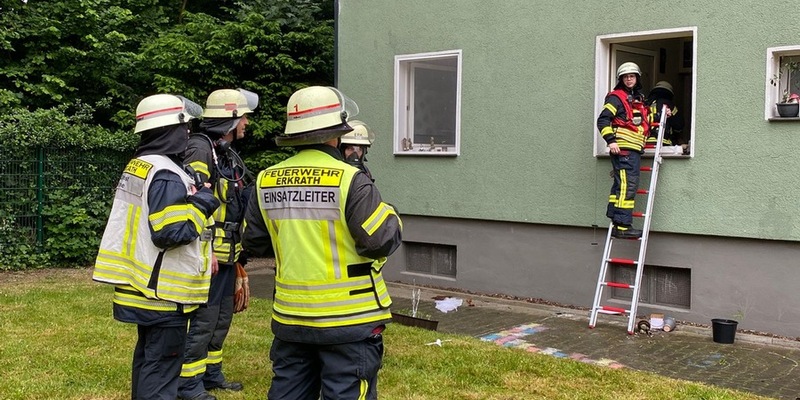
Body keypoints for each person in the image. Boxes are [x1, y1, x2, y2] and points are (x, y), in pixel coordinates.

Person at [241, 86, 403, 400]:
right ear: (336, 134)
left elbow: (255, 242)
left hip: (291, 318)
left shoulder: (266, 179)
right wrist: (392, 215)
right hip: (349, 320)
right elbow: (380, 240)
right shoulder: (351, 179)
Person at [92, 94, 220, 400]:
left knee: (149, 363)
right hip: (163, 294)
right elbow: (172, 233)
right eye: (185, 128)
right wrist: (203, 201)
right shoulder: (166, 173)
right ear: (170, 130)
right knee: (162, 371)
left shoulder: (140, 165)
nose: (188, 134)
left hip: (142, 286)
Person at [178, 88, 258, 400]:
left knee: (221, 318)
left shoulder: (222, 151)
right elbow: (193, 199)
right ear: (231, 118)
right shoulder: (200, 150)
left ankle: (211, 374)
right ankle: (188, 385)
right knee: (203, 321)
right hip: (209, 254)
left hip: (228, 254)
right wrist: (206, 247)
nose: (247, 123)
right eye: (244, 117)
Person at [597, 62, 650, 239]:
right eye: (626, 77)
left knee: (621, 185)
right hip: (624, 149)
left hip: (632, 149)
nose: (629, 79)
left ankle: (615, 217)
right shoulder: (616, 98)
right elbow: (603, 120)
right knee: (628, 186)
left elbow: (644, 120)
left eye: (632, 76)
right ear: (621, 79)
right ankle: (623, 227)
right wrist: (611, 141)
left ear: (637, 78)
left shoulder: (638, 98)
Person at [646, 80, 686, 151]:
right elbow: (679, 126)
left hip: (644, 143)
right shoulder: (670, 105)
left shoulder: (645, 104)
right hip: (664, 143)